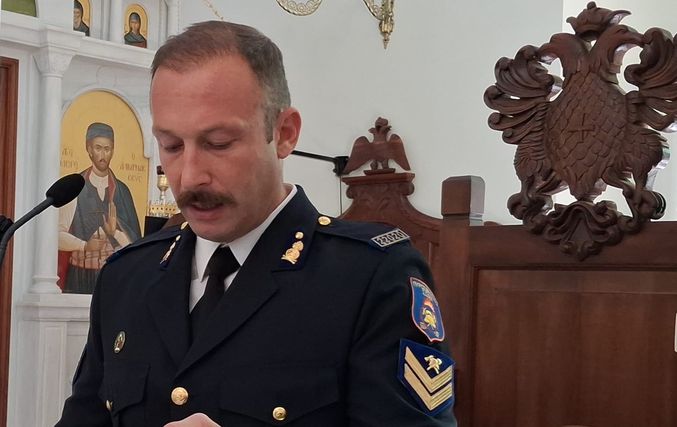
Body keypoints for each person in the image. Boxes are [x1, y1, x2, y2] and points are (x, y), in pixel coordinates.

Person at [57, 21, 457, 426]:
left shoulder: (370, 277)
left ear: (284, 134)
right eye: (171, 145)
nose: (190, 176)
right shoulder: (127, 276)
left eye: (218, 143)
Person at [58, 122, 142, 294]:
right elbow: (56, 236)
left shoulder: (122, 191)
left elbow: (137, 245)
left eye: (107, 149)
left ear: (113, 150)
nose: (103, 155)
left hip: (113, 277)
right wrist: (85, 246)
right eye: (98, 148)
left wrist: (115, 232)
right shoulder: (75, 188)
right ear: (89, 149)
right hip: (80, 276)